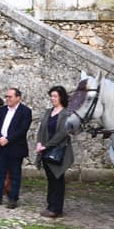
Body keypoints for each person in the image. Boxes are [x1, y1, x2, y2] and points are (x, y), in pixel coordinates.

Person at [0, 87, 32, 208]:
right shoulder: (3, 110)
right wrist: (0, 137)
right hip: (1, 146)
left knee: (15, 174)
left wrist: (8, 139)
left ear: (18, 98)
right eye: (6, 96)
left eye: (10, 97)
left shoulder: (25, 111)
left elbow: (23, 129)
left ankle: (13, 198)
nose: (7, 99)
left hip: (15, 147)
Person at [35, 86, 74, 218]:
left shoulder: (66, 113)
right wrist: (40, 143)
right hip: (45, 151)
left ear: (61, 97)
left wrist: (47, 145)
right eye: (51, 96)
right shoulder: (48, 112)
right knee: (50, 179)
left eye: (55, 96)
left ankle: (56, 208)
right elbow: (42, 129)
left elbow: (63, 133)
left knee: (57, 179)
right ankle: (50, 205)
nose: (53, 99)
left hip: (58, 151)